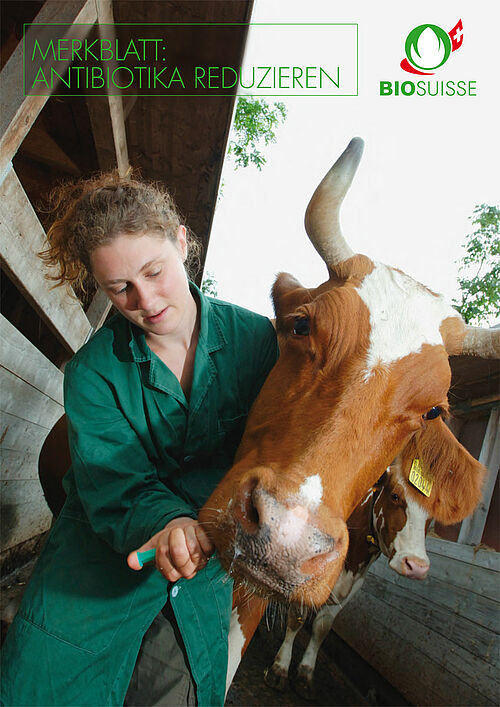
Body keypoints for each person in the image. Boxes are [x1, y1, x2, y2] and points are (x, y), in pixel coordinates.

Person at [1, 173, 278, 706]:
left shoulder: (258, 344)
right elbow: (115, 484)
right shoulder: (92, 373)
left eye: (154, 272)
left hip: (200, 576)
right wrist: (167, 521)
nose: (145, 300)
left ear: (181, 242)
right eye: (118, 288)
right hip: (96, 570)